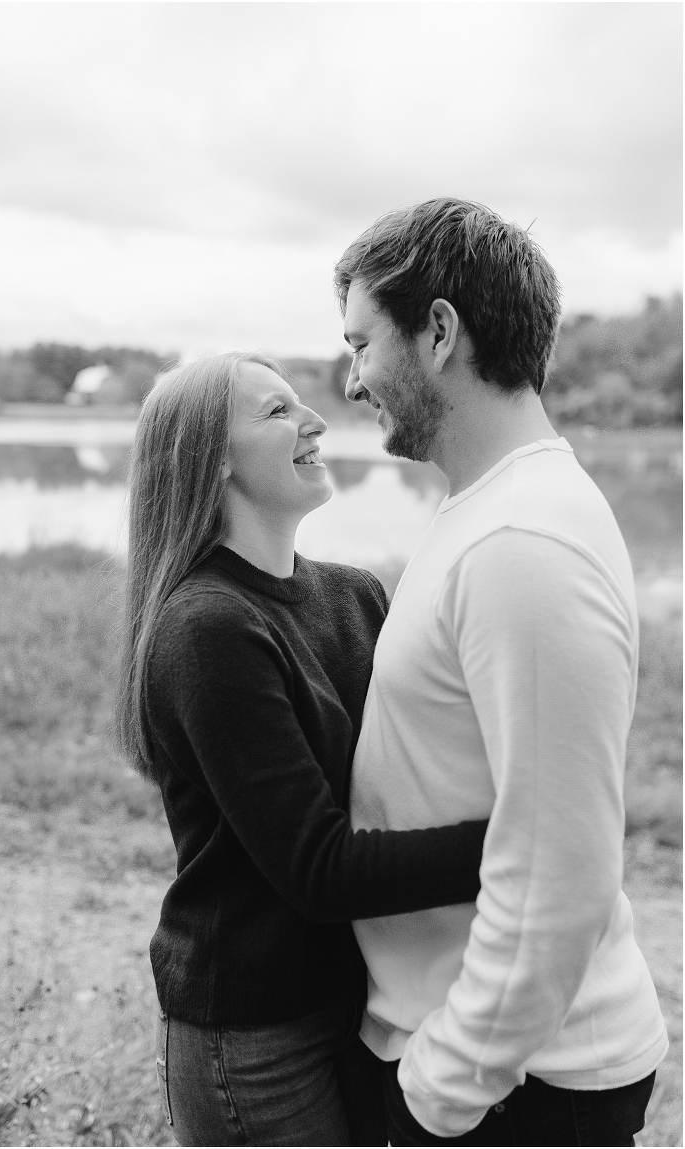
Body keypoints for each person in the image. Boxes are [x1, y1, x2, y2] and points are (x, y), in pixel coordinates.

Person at [334, 197, 669, 1147]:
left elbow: (558, 862)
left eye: (362, 344)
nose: (352, 380)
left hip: (519, 1089)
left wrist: (438, 1092)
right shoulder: (487, 507)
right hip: (491, 1069)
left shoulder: (521, 541)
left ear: (439, 330)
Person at [115, 350, 489, 1148]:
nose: (317, 418)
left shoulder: (356, 594)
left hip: (362, 1004)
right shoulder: (207, 627)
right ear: (211, 459)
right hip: (254, 1035)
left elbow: (414, 772)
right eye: (278, 411)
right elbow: (319, 868)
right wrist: (516, 846)